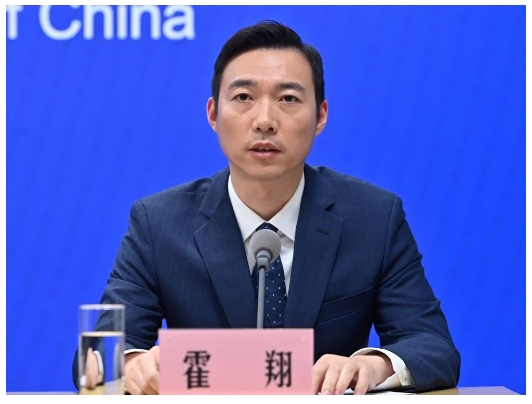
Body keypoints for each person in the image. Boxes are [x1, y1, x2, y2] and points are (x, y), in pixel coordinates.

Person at [72, 19, 460, 395]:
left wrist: (372, 365)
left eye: (288, 99)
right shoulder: (159, 223)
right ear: (213, 114)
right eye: (243, 97)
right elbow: (97, 354)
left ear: (320, 116)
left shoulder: (373, 217)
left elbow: (432, 346)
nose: (264, 121)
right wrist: (132, 363)